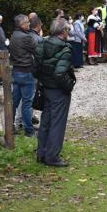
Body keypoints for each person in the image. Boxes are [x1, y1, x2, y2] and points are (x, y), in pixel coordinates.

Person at [33, 18, 76, 167]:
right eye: (68, 30)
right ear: (64, 31)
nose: (68, 32)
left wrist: (44, 80)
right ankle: (52, 157)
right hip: (58, 90)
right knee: (57, 123)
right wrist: (69, 85)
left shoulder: (42, 43)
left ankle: (42, 153)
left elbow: (35, 69)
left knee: (46, 121)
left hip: (46, 88)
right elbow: (59, 74)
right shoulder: (65, 48)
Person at [9, 14, 37, 137]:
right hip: (26, 71)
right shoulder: (26, 37)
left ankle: (10, 127)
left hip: (15, 71)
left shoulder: (13, 36)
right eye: (27, 22)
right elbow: (36, 50)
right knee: (27, 103)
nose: (29, 24)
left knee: (14, 102)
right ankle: (29, 131)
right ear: (21, 24)